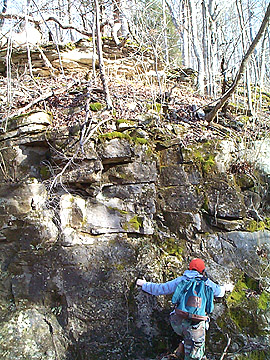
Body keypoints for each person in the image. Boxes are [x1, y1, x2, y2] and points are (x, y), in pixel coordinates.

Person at [136, 258, 234, 360]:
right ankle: (186, 346)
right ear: (203, 271)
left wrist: (144, 284)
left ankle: (182, 346)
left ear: (189, 268)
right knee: (195, 354)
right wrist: (226, 287)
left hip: (177, 323)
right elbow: (220, 292)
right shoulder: (207, 283)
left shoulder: (182, 280)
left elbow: (161, 289)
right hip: (196, 326)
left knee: (186, 334)